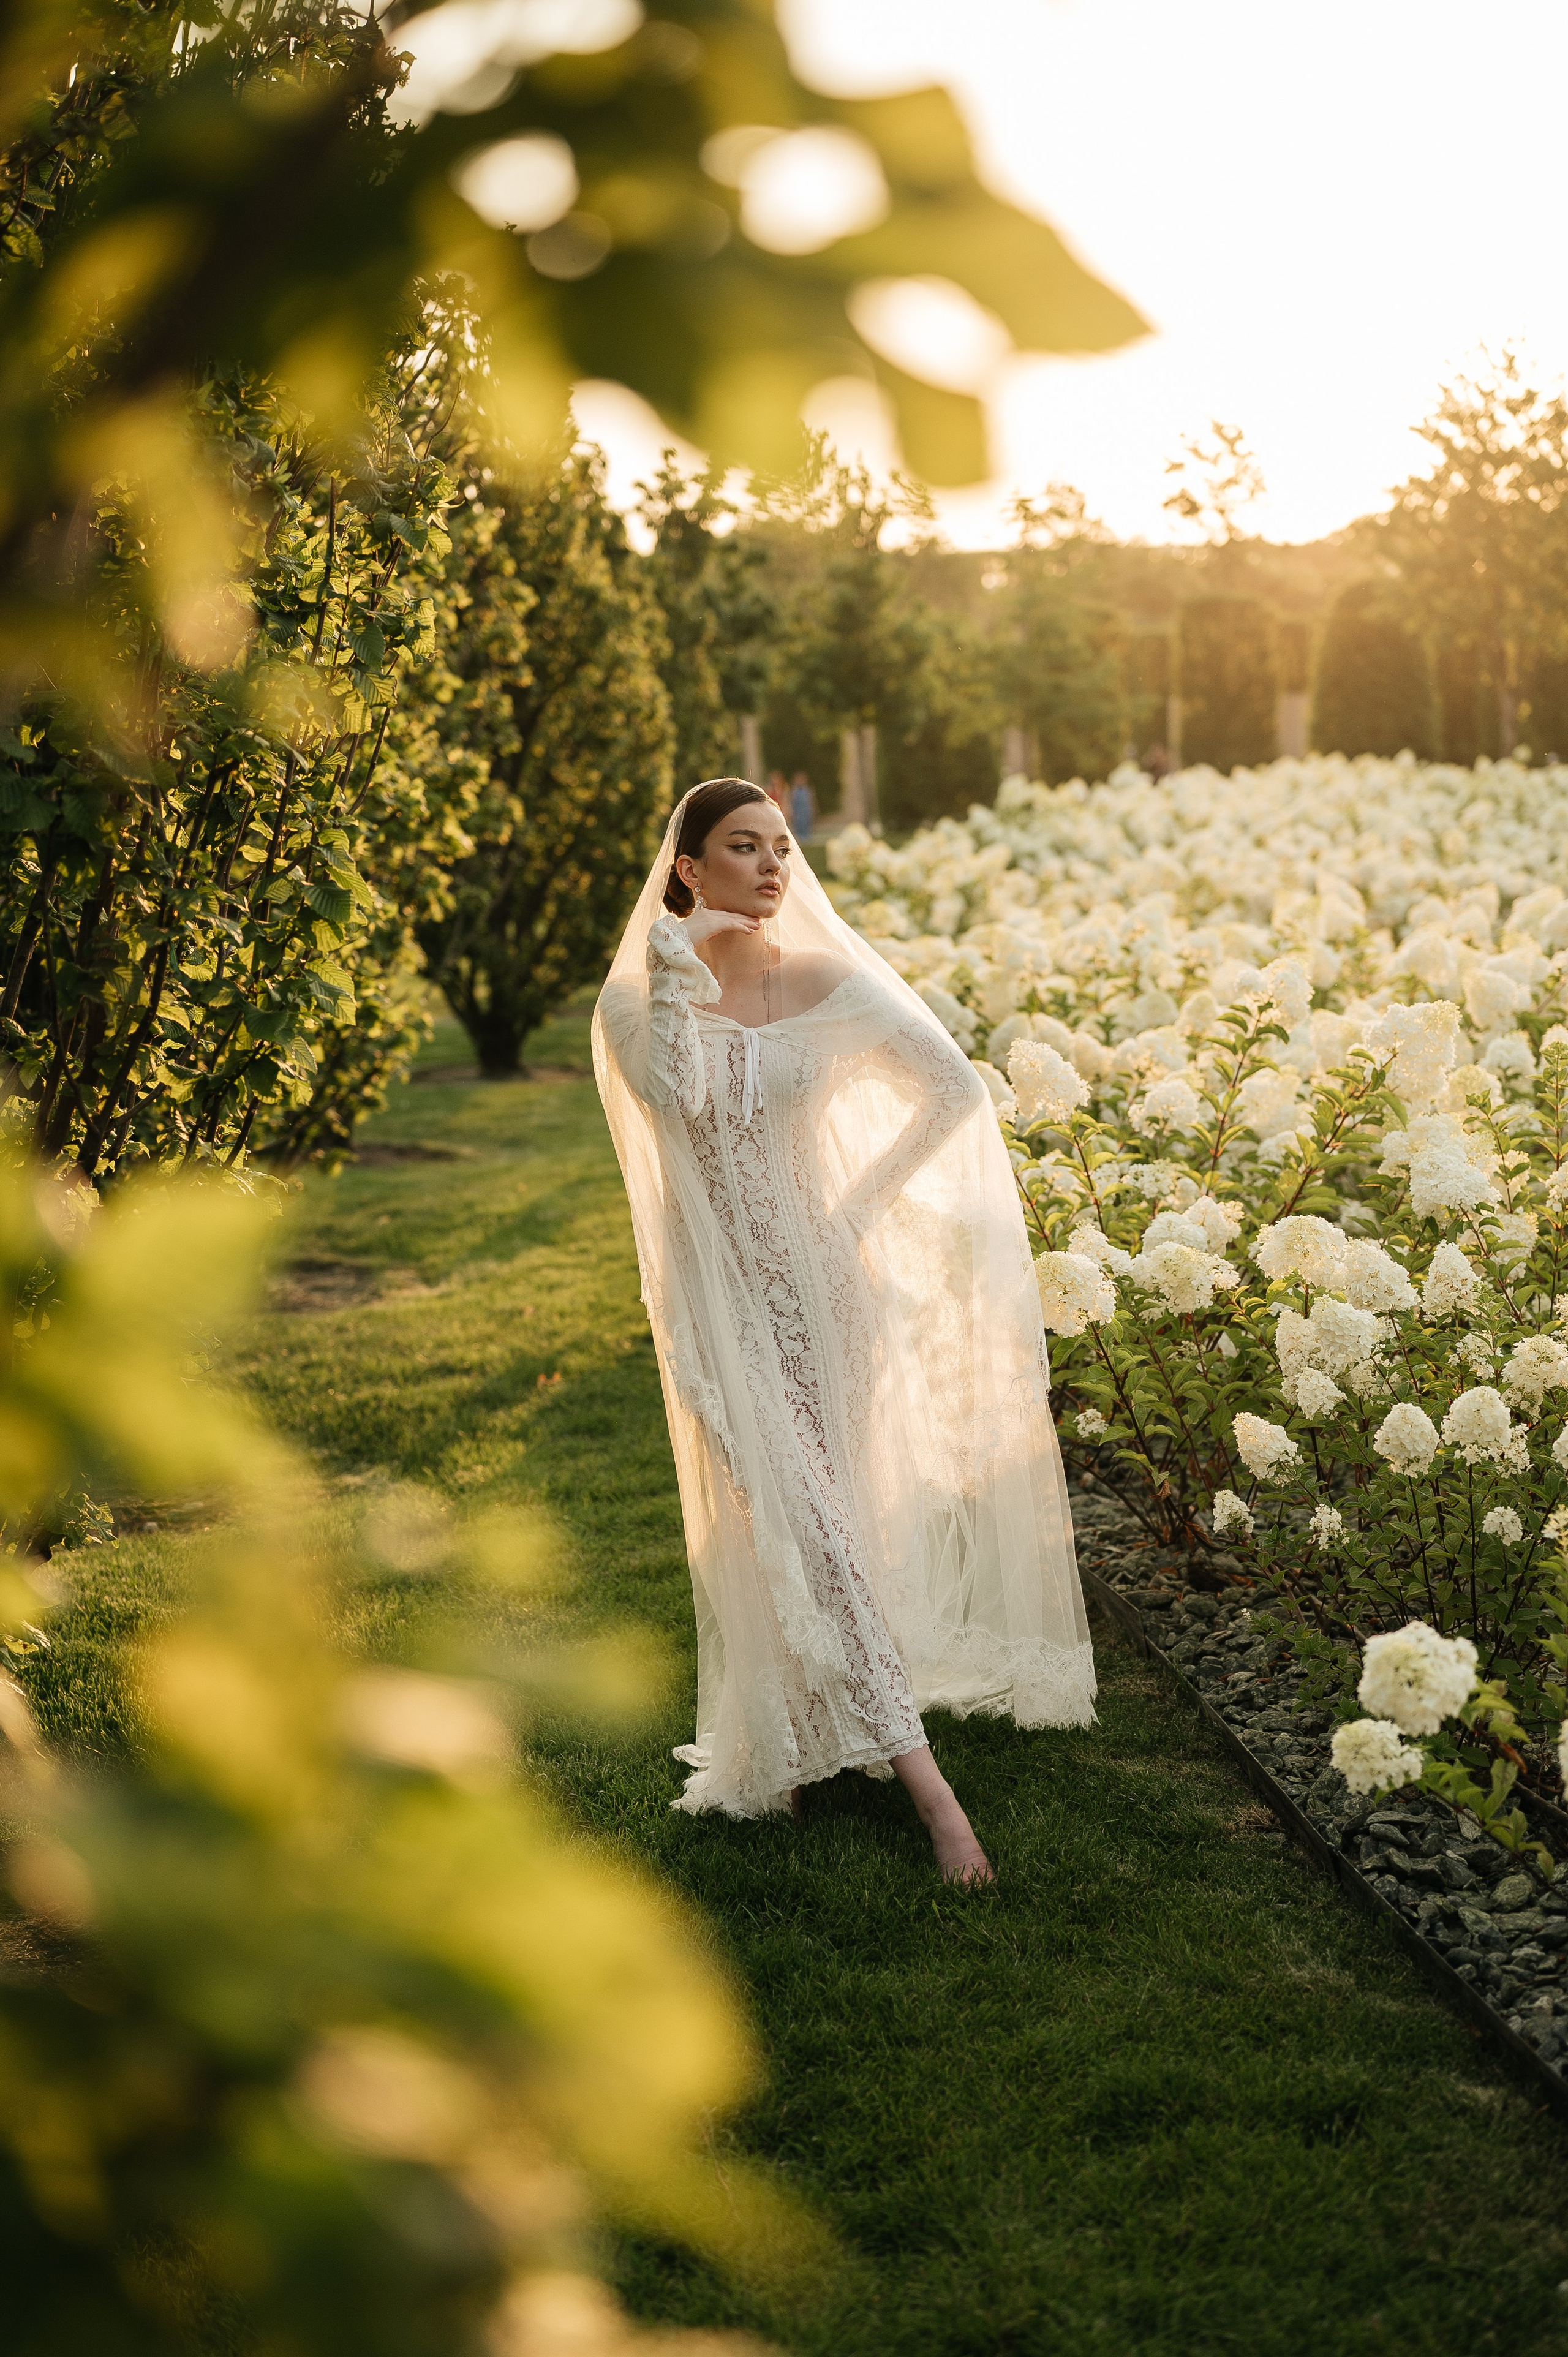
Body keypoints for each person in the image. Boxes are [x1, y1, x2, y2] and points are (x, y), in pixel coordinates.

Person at [592, 780, 1094, 1882]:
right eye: (743, 848)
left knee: (834, 1520)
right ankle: (937, 1800)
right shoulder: (642, 997)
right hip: (721, 1306)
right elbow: (671, 1091)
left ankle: (824, 1746)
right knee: (795, 1519)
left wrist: (860, 1206)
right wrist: (689, 953)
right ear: (690, 867)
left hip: (830, 1293)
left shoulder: (822, 976)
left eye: (781, 847)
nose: (774, 867)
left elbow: (951, 1088)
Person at [789, 769, 816, 839]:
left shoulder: (807, 790)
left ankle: (806, 838)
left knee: (806, 825)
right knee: (799, 825)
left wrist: (813, 811)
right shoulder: (794, 791)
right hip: (798, 812)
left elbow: (811, 802)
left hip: (806, 812)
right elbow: (792, 803)